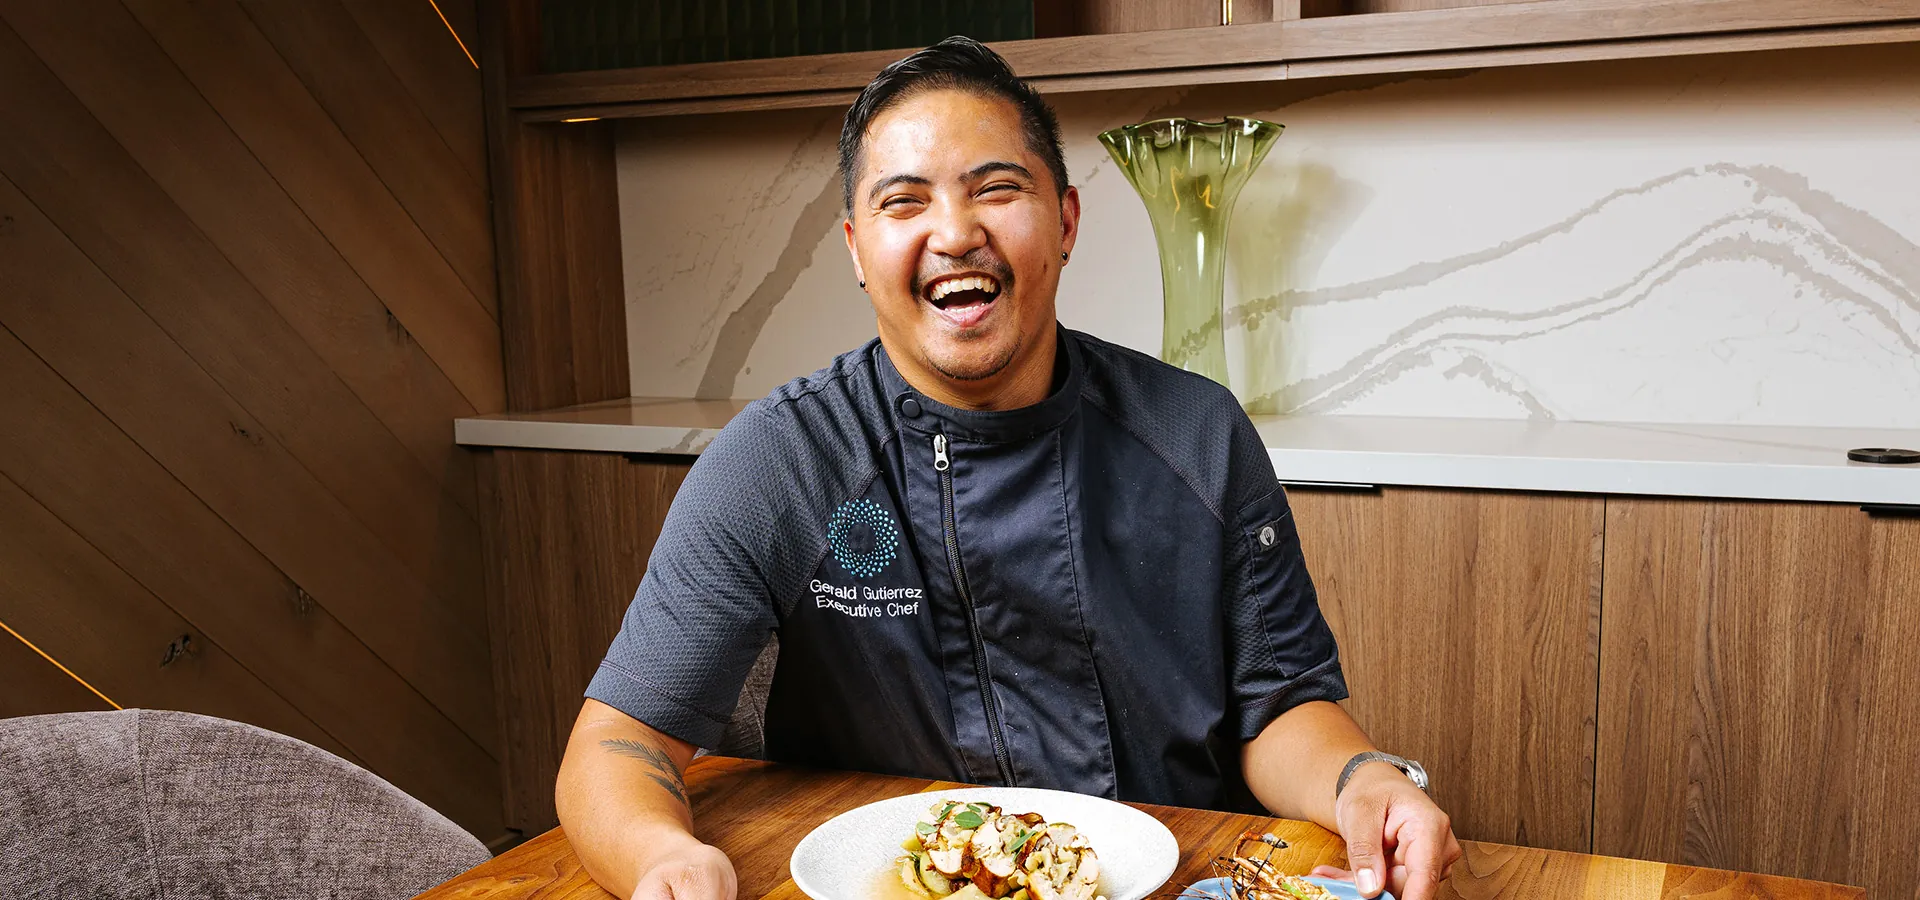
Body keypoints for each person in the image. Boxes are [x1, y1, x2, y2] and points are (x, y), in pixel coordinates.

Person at [555, 36, 1461, 900]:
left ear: (1065, 222)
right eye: (903, 202)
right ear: (856, 251)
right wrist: (663, 854)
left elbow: (1280, 708)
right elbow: (619, 743)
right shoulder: (780, 460)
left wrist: (1359, 779)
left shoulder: (1195, 431)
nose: (955, 234)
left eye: (996, 188)